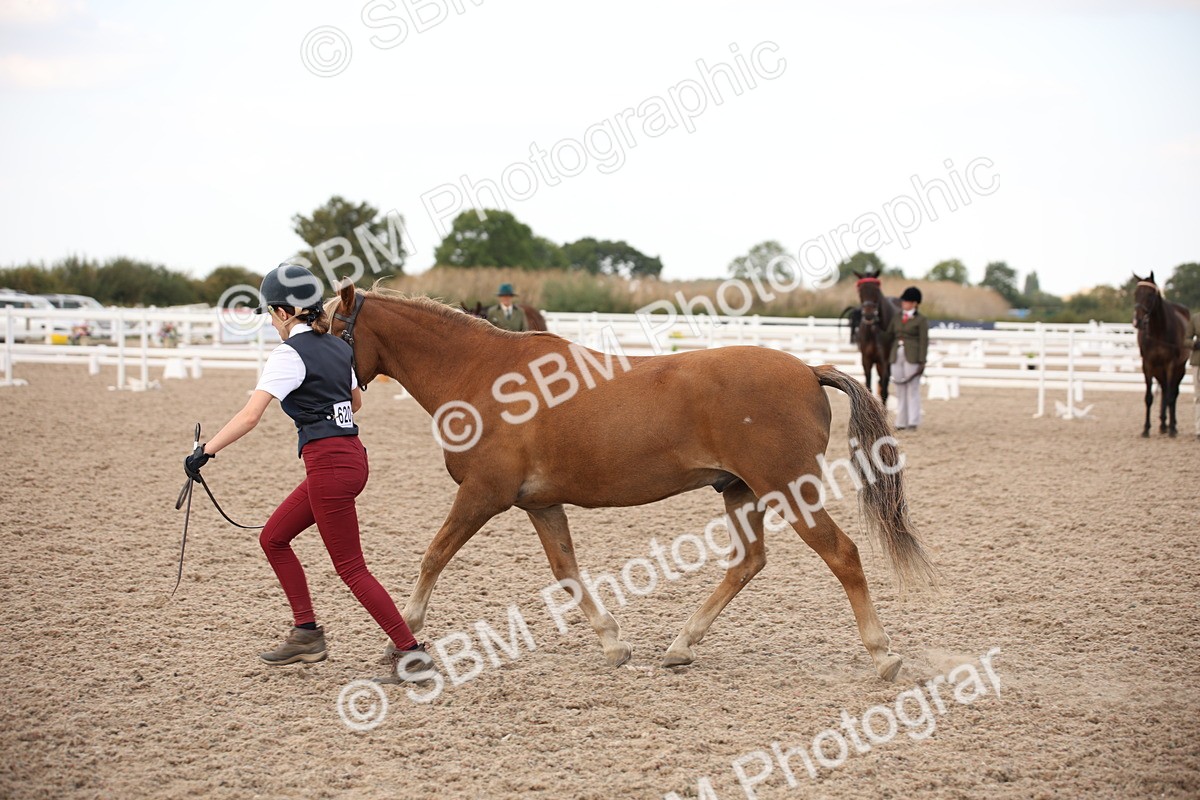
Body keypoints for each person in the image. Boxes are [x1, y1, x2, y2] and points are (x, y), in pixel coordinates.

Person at [183, 263, 433, 684]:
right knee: (273, 538)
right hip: (351, 458)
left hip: (329, 465)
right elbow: (355, 403)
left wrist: (204, 452)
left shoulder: (288, 354)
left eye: (269, 314)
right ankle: (306, 633)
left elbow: (249, 417)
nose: (271, 323)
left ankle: (412, 656)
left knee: (352, 568)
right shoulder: (338, 347)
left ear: (283, 313)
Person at [885, 286, 929, 431]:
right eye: (904, 301)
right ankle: (901, 421)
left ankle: (913, 421)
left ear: (915, 303)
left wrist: (922, 361)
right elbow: (889, 334)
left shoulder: (921, 320)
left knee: (912, 389)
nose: (904, 303)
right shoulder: (897, 317)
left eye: (907, 301)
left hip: (913, 356)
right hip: (896, 354)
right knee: (899, 388)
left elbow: (924, 341)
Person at [1187, 309, 1200, 440]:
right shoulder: (1195, 318)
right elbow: (1186, 339)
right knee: (1198, 396)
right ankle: (1199, 428)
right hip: (1198, 362)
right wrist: (1195, 344)